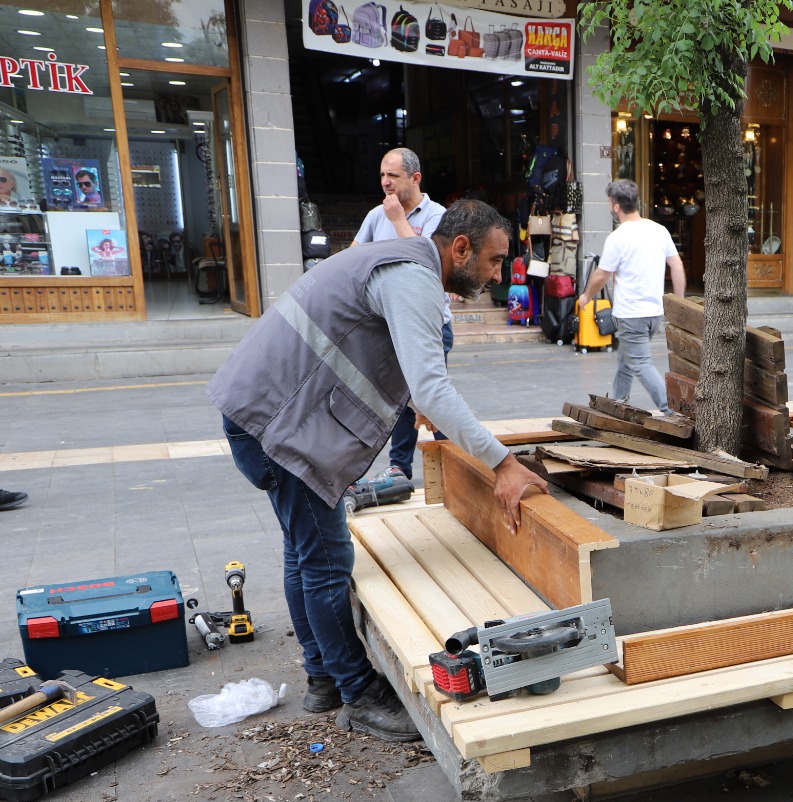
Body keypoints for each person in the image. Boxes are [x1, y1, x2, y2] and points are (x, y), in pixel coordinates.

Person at [207, 200, 547, 742]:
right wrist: (502, 463)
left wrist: (427, 407)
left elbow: (408, 373)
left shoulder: (398, 263)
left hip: (265, 415)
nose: (495, 275)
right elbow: (432, 383)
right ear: (459, 248)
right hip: (276, 424)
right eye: (493, 261)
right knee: (327, 560)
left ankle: (321, 679)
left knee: (304, 553)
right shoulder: (412, 276)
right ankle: (359, 694)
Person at [352, 148, 449, 484]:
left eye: (392, 175)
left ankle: (453, 461)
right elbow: (353, 259)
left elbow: (427, 261)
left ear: (415, 178)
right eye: (382, 175)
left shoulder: (438, 216)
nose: (385, 182)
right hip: (386, 326)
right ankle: (401, 467)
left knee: (429, 394)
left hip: (427, 325)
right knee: (401, 397)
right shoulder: (375, 216)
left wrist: (397, 220)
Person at [577, 179, 686, 412]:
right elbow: (676, 265)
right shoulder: (659, 230)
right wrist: (679, 301)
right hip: (654, 314)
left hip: (632, 314)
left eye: (609, 202)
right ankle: (617, 406)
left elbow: (601, 275)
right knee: (626, 361)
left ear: (616, 206)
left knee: (640, 363)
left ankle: (670, 410)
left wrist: (586, 296)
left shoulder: (618, 237)